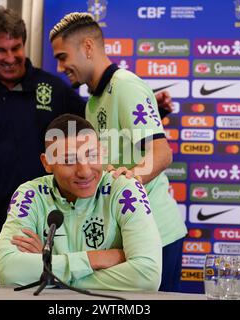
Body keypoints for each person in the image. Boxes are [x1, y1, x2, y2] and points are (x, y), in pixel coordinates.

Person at [0, 6, 172, 285]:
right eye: (1, 50)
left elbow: (97, 134)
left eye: (17, 48)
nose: (11, 58)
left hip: (86, 223)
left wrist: (50, 276)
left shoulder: (58, 88)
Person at [49, 12, 187, 292]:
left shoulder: (125, 86)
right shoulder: (93, 101)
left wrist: (130, 181)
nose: (60, 67)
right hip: (126, 234)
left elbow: (161, 154)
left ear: (87, 47)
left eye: (63, 56)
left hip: (157, 235)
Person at [0, 114, 162, 291]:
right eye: (69, 161)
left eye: (92, 156)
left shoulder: (124, 188)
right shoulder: (30, 194)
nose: (84, 171)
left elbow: (147, 276)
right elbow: (8, 271)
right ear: (47, 162)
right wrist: (94, 259)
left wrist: (48, 273)